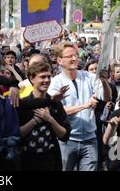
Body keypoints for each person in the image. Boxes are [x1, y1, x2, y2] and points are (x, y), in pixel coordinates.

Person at [0, 59, 68, 171]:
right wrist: (12, 83)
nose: (1, 75)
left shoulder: (9, 99)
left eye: (3, 73)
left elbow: (28, 104)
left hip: (5, 151)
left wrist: (51, 100)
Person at [47, 42, 111, 171]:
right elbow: (58, 111)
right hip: (67, 140)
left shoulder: (89, 77)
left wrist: (104, 82)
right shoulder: (55, 82)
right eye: (69, 56)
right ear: (60, 60)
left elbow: (107, 98)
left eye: (75, 55)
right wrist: (85, 105)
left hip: (89, 139)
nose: (74, 58)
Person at [18, 62, 71, 171]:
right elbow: (16, 134)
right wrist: (35, 121)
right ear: (32, 79)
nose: (46, 80)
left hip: (50, 161)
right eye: (42, 77)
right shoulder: (23, 104)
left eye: (48, 76)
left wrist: (50, 119)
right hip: (26, 161)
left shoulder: (55, 103)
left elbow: (64, 135)